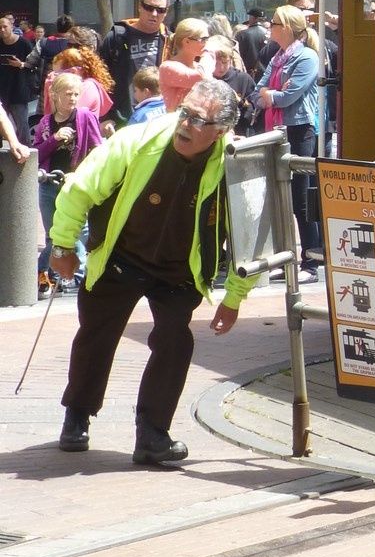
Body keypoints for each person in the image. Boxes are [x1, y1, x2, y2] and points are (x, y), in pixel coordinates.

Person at [48, 79, 254, 464]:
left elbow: (251, 233)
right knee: (96, 334)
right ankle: (76, 416)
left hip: (179, 270)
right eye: (185, 113)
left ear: (221, 131)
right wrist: (62, 245)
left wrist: (235, 297)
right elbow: (80, 188)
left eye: (199, 120)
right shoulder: (137, 140)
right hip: (120, 257)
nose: (186, 124)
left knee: (175, 342)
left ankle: (153, 434)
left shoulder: (235, 164)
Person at [255, 6, 322, 277]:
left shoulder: (306, 57)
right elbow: (257, 90)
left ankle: (310, 262)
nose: (269, 27)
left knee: (300, 198)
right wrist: (270, 93)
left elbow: (289, 96)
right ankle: (287, 260)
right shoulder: (278, 57)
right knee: (280, 197)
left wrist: (272, 94)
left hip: (299, 130)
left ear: (286, 27)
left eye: (273, 23)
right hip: (276, 129)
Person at [34, 73, 105, 294]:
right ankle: (51, 273)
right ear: (54, 95)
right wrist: (54, 139)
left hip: (74, 182)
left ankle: (77, 274)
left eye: (76, 94)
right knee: (53, 233)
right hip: (49, 183)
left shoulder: (84, 116)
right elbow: (37, 152)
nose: (73, 98)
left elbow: (97, 147)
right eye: (68, 94)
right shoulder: (45, 122)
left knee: (78, 230)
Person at [99, 0, 170, 120]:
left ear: (166, 12)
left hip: (158, 116)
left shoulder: (169, 40)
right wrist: (106, 117)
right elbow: (99, 78)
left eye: (160, 10)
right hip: (121, 117)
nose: (154, 14)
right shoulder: (117, 37)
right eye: (149, 8)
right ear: (140, 7)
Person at [44, 46, 116, 125]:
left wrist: (52, 90)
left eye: (56, 74)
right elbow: (49, 121)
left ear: (73, 72)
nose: (52, 77)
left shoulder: (88, 87)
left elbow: (67, 118)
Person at [158, 17, 215, 111]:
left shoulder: (198, 66)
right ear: (187, 41)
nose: (207, 43)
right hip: (178, 123)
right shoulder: (167, 67)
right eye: (203, 39)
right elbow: (200, 78)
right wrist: (209, 51)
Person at [206, 34, 258, 135]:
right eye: (216, 64)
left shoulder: (243, 79)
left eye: (225, 62)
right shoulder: (203, 78)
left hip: (239, 134)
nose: (220, 68)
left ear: (231, 59)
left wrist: (240, 102)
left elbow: (254, 114)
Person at [0, 11, 34, 139]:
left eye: (5, 27)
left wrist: (21, 64)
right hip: (2, 91)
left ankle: (27, 154)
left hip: (18, 91)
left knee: (22, 126)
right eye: (0, 27)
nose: (2, 30)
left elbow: (34, 64)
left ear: (12, 27)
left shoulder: (24, 43)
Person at [236, 7, 269, 80]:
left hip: (248, 75)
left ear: (253, 18)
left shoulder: (242, 34)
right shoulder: (271, 34)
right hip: (268, 74)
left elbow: (238, 56)